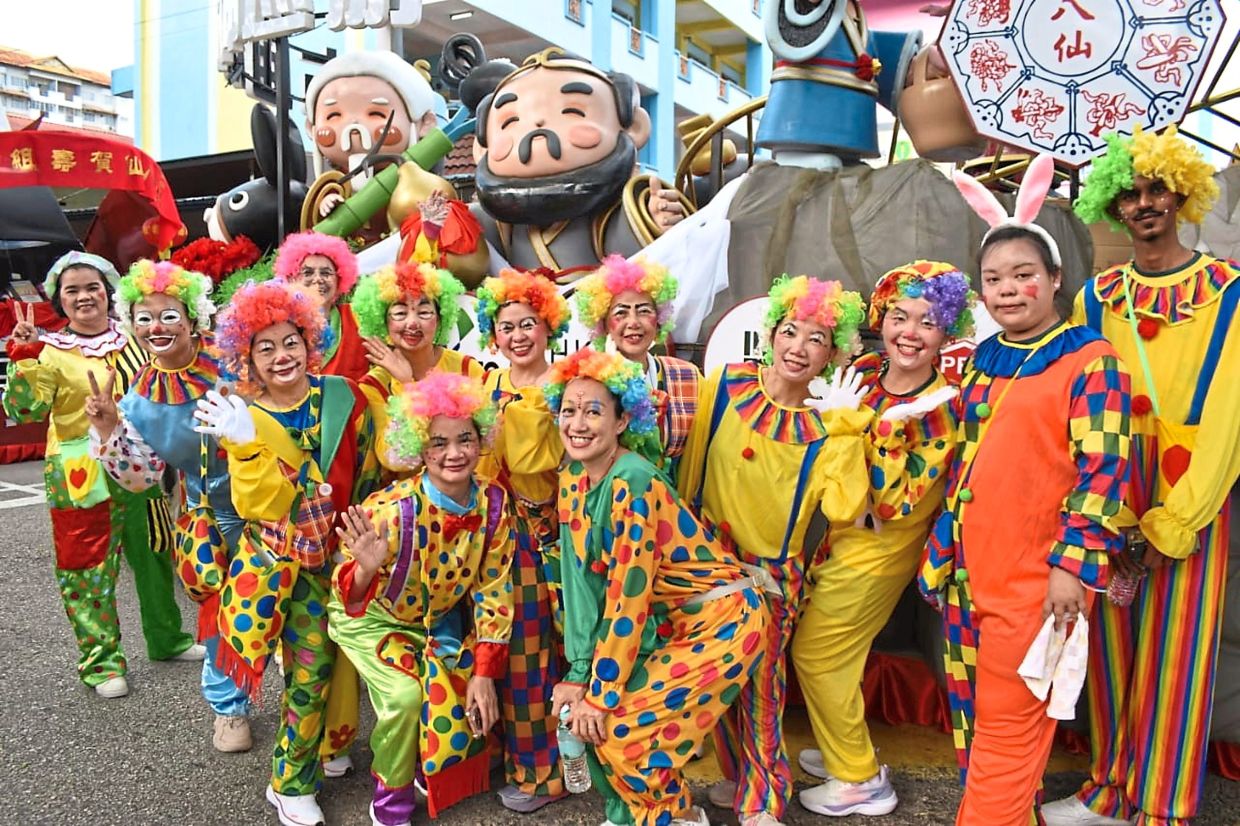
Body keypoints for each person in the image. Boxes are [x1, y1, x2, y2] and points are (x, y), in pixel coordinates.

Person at [919, 155, 1132, 826]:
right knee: (978, 729)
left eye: (1023, 275)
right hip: (967, 579)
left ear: (1055, 278)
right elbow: (966, 467)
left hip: (1037, 585)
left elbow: (1106, 472)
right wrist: (942, 553)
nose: (1008, 290)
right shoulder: (985, 363)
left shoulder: (1091, 361)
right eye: (993, 279)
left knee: (1009, 735)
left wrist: (1073, 566)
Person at [1040, 127, 1240, 826]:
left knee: (1177, 650)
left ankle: (1160, 805)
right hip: (1112, 482)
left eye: (1158, 189)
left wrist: (1180, 517)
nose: (1145, 204)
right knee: (1108, 646)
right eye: (1129, 194)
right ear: (1113, 205)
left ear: (1182, 194)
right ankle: (1109, 787)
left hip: (1193, 484)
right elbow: (1076, 404)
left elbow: (1230, 416)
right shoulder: (1096, 298)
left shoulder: (1229, 293)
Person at [678, 275, 872, 826]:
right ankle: (738, 775)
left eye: (817, 339)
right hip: (708, 562)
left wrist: (847, 432)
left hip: (770, 576)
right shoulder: (727, 384)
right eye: (790, 331)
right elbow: (691, 470)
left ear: (833, 354)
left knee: (762, 689)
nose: (799, 347)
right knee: (712, 679)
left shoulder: (826, 425)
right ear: (771, 335)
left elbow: (844, 508)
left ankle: (763, 799)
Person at [546, 348, 769, 826]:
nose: (578, 424)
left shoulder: (634, 482)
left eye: (593, 411)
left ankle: (670, 817)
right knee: (601, 725)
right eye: (568, 410)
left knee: (623, 731)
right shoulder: (572, 478)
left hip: (724, 622)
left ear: (623, 420)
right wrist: (580, 673)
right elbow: (581, 584)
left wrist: (600, 694)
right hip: (673, 624)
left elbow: (629, 596)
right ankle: (664, 816)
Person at [194, 280, 379, 826]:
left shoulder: (344, 396)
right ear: (246, 356)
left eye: (291, 342)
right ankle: (288, 779)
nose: (281, 356)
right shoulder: (238, 415)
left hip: (342, 557)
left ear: (309, 342)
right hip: (278, 566)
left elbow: (368, 473)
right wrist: (247, 443)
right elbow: (257, 505)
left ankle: (321, 752)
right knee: (302, 667)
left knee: (335, 664)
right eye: (265, 347)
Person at [793, 261, 973, 817]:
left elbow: (890, 504)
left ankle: (859, 780)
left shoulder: (940, 407)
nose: (909, 332)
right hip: (838, 540)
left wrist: (855, 431)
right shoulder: (867, 371)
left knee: (818, 654)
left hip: (876, 556)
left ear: (946, 332)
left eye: (927, 321)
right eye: (899, 316)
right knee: (840, 655)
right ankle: (843, 746)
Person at [3, 251, 201, 700]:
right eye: (71, 290)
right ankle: (102, 661)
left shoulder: (135, 337)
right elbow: (24, 411)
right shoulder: (49, 350)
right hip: (80, 473)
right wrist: (25, 357)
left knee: (154, 552)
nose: (84, 297)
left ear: (107, 291)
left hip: (141, 462)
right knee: (87, 569)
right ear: (59, 299)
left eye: (92, 286)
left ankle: (168, 638)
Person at [329, 371, 516, 826]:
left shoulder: (494, 502)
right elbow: (346, 593)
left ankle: (423, 764)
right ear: (420, 449)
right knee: (406, 697)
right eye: (438, 443)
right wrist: (366, 568)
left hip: (438, 623)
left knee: (465, 689)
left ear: (481, 440)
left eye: (465, 439)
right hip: (373, 618)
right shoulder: (391, 510)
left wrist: (484, 673)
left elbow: (494, 589)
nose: (454, 453)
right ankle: (389, 800)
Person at [86, 259, 252, 751]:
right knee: (218, 609)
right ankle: (229, 709)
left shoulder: (236, 361)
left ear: (193, 316)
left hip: (269, 502)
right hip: (205, 512)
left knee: (290, 603)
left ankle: (307, 714)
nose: (155, 327)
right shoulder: (137, 400)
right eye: (144, 317)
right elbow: (142, 477)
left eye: (168, 315)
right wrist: (108, 429)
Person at [474, 268, 572, 812]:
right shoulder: (485, 387)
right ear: (493, 335)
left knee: (533, 657)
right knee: (495, 650)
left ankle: (542, 775)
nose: (517, 335)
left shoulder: (566, 386)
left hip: (543, 540)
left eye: (528, 323)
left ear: (548, 326)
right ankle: (504, 753)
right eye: (506, 326)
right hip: (491, 539)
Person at [350, 261, 484, 474]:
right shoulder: (374, 386)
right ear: (384, 321)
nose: (412, 323)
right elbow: (395, 459)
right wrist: (407, 386)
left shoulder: (467, 369)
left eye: (424, 312)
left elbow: (486, 445)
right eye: (400, 313)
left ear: (439, 319)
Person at [574, 254, 701, 476]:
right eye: (621, 313)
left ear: (659, 319)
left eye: (643, 311)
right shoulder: (586, 381)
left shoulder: (687, 375)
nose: (633, 322)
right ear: (604, 323)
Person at [274, 230, 367, 380]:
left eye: (326, 273)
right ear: (292, 279)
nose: (318, 279)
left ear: (339, 280)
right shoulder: (279, 325)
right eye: (308, 273)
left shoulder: (358, 317)